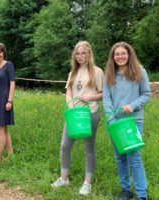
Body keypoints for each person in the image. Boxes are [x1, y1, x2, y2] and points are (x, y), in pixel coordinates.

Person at [51, 41, 104, 196]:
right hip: (73, 115)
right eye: (78, 53)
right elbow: (68, 90)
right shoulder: (73, 72)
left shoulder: (97, 72)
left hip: (90, 114)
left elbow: (103, 93)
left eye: (84, 53)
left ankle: (87, 183)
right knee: (65, 146)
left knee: (89, 148)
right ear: (75, 55)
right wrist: (70, 104)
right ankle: (64, 178)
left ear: (89, 54)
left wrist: (91, 96)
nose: (81, 56)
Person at [103, 42, 150, 200]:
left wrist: (133, 105)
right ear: (113, 57)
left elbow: (146, 94)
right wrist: (111, 119)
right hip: (116, 123)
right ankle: (126, 190)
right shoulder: (109, 74)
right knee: (120, 157)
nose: (120, 56)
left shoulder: (140, 72)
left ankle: (142, 195)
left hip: (133, 122)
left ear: (129, 55)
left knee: (134, 158)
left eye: (123, 53)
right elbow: (106, 99)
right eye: (117, 54)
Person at [0, 43, 15, 161]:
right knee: (3, 129)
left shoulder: (8, 65)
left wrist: (9, 101)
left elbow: (12, 83)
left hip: (5, 100)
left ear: (3, 53)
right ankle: (11, 155)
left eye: (0, 52)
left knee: (0, 129)